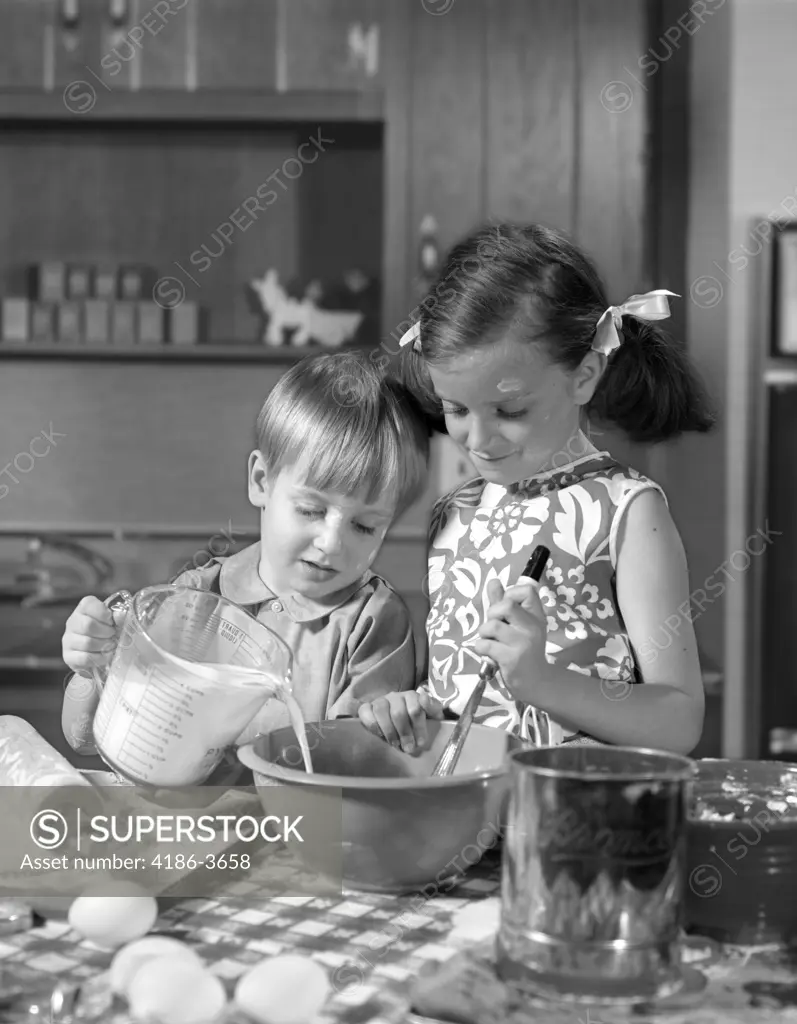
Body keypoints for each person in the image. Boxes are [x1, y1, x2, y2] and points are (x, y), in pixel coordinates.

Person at [357, 222, 715, 756]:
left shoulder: (626, 511)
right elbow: (455, 693)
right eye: (455, 409)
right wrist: (409, 707)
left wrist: (542, 683)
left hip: (576, 824)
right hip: (460, 818)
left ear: (584, 376)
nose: (476, 440)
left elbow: (678, 720)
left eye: (510, 410)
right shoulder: (455, 511)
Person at [60, 351, 431, 755]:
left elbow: (349, 762)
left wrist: (386, 724)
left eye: (364, 526)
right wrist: (92, 667)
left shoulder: (372, 620)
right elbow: (85, 739)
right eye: (311, 510)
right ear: (261, 482)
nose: (331, 543)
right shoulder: (196, 596)